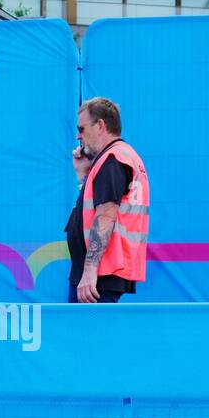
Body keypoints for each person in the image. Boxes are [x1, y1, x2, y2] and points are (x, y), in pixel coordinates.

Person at [66, 97, 150, 303]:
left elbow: (106, 216)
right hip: (101, 275)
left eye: (82, 129)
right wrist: (83, 176)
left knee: (86, 334)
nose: (79, 136)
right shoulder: (118, 158)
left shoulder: (113, 160)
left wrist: (89, 271)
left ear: (101, 125)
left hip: (98, 279)